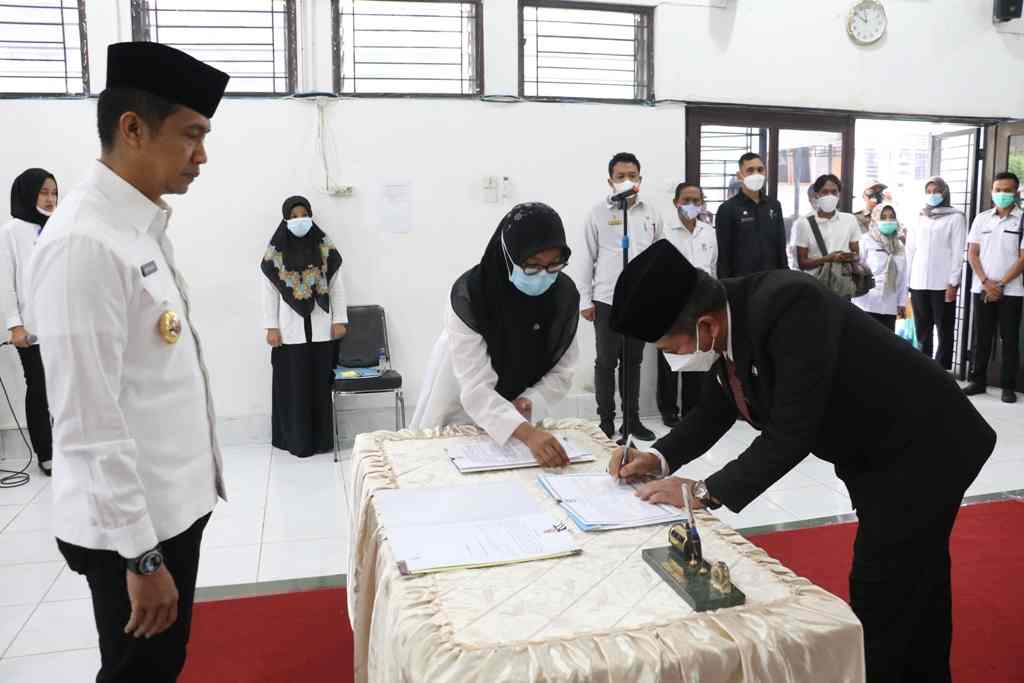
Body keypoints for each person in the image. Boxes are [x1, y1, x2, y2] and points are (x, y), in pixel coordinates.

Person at [607, 240, 995, 683]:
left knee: (884, 586)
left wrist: (702, 492)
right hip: (876, 451)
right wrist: (659, 457)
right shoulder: (730, 317)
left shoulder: (790, 305)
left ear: (706, 327)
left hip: (924, 445)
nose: (673, 357)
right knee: (914, 578)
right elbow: (718, 407)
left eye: (670, 348)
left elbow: (791, 434)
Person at [27, 42, 229, 682]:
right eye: (190, 136)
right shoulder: (85, 242)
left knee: (160, 666)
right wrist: (141, 558)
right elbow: (87, 419)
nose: (202, 155)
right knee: (138, 674)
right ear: (133, 128)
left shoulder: (137, 227)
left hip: (165, 510)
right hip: (131, 533)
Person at [411, 202, 579, 467]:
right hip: (462, 392)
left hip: (519, 406)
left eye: (553, 265)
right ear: (507, 256)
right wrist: (528, 433)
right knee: (449, 463)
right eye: (532, 265)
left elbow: (563, 369)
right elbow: (476, 389)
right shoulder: (470, 297)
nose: (543, 275)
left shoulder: (563, 296)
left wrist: (529, 402)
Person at [578, 153, 663, 441]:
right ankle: (605, 421)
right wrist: (585, 300)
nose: (627, 180)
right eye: (621, 176)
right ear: (610, 180)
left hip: (639, 302)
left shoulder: (650, 212)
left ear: (640, 179)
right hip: (606, 300)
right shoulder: (598, 213)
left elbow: (659, 257)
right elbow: (586, 257)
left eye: (633, 175)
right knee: (606, 362)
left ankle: (632, 420)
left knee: (633, 361)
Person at [262, 195, 348, 457]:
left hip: (322, 330)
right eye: (295, 216)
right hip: (290, 335)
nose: (300, 220)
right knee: (295, 387)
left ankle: (322, 441)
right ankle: (296, 441)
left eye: (304, 214)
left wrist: (339, 319)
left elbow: (336, 286)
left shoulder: (325, 249)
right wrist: (271, 326)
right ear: (286, 219)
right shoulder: (274, 254)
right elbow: (269, 292)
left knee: (321, 385)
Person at [0, 168, 57, 476]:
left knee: (64, 388)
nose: (50, 199)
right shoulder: (12, 231)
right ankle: (45, 453)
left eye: (53, 193)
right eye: (43, 192)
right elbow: (5, 282)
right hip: (31, 329)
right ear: (28, 193)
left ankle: (66, 449)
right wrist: (15, 325)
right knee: (38, 387)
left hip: (61, 325)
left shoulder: (59, 227)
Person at [657, 182, 716, 427]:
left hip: (701, 302)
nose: (691, 205)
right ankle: (669, 409)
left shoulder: (708, 231)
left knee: (697, 354)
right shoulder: (664, 231)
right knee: (669, 356)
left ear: (702, 204)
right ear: (676, 202)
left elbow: (712, 266)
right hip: (672, 301)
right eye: (686, 200)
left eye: (696, 201)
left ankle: (692, 408)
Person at [964, 172, 1024, 403]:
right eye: (998, 189)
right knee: (981, 336)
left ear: (1016, 193)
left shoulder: (1022, 220)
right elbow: (972, 253)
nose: (1002, 194)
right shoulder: (981, 219)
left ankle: (1008, 386)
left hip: (1012, 290)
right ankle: (977, 380)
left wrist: (1000, 284)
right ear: (992, 191)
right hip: (982, 288)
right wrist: (986, 282)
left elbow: (1022, 258)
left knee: (1009, 340)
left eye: (1007, 190)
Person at [906, 176, 967, 371]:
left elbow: (958, 252)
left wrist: (953, 283)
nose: (933, 195)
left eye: (937, 191)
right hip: (918, 282)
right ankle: (924, 370)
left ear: (945, 192)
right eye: (929, 192)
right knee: (922, 330)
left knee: (944, 328)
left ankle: (942, 371)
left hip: (943, 283)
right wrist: (907, 282)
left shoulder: (956, 217)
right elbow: (910, 250)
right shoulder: (919, 216)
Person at [715, 152, 787, 279]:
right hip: (742, 283)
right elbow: (723, 255)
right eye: (750, 170)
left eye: (760, 170)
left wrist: (785, 277)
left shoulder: (774, 206)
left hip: (772, 280)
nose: (756, 174)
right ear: (740, 175)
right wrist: (726, 287)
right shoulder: (727, 209)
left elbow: (781, 246)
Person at [791, 174, 861, 281]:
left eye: (834, 192)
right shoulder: (803, 223)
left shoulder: (850, 220)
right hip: (815, 284)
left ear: (839, 194)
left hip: (842, 283)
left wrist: (848, 258)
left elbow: (856, 254)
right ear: (817, 194)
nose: (830, 195)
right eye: (825, 192)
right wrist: (827, 259)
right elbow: (802, 263)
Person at [852, 202, 909, 331]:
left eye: (891, 217)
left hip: (889, 305)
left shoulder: (899, 246)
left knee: (885, 347)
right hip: (866, 303)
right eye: (883, 217)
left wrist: (901, 303)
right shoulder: (865, 240)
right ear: (876, 219)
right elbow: (856, 268)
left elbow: (902, 277)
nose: (888, 220)